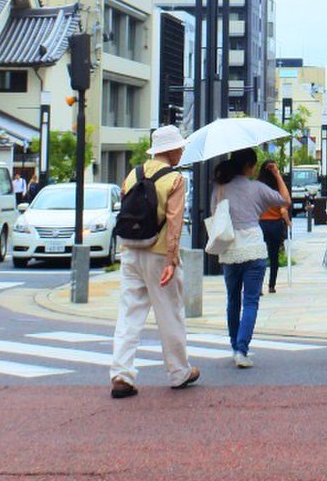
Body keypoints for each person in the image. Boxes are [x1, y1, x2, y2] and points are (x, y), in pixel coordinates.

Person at [109, 126, 198, 398]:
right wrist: (172, 259)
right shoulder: (174, 180)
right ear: (169, 149)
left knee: (129, 313)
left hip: (130, 250)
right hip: (159, 253)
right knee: (169, 313)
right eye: (179, 147)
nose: (182, 151)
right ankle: (179, 371)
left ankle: (121, 373)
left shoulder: (132, 174)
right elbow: (174, 223)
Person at [212, 148, 292, 365]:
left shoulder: (220, 188)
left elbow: (214, 214)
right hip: (254, 247)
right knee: (250, 301)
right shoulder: (257, 188)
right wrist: (276, 175)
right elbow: (285, 201)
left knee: (233, 300)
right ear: (249, 166)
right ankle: (242, 349)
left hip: (230, 248)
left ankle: (234, 345)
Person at [256, 159, 291, 294]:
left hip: (260, 224)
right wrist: (278, 175)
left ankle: (258, 287)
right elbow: (286, 202)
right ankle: (271, 285)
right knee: (273, 256)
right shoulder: (278, 188)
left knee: (259, 256)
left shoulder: (258, 187)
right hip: (275, 224)